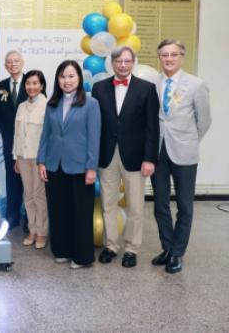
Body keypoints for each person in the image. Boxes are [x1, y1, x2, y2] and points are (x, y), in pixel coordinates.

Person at [91, 46, 159, 268]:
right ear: (112, 63)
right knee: (108, 203)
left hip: (136, 157)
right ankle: (111, 245)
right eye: (118, 61)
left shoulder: (147, 88)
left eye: (127, 61)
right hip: (107, 154)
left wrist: (149, 158)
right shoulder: (99, 88)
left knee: (136, 207)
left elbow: (152, 127)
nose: (122, 65)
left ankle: (131, 248)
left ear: (133, 62)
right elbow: (95, 124)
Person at [150, 39, 211, 274]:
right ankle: (167, 247)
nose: (169, 59)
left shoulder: (196, 84)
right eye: (164, 55)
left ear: (181, 56)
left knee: (185, 206)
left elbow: (204, 120)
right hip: (158, 152)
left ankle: (177, 253)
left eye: (173, 54)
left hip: (185, 153)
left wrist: (190, 141)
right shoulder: (152, 83)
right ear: (159, 57)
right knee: (160, 204)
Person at [37, 60, 100, 269]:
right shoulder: (52, 103)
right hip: (54, 165)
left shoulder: (91, 104)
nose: (67, 80)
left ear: (79, 78)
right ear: (58, 79)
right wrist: (41, 161)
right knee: (58, 210)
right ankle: (62, 250)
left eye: (71, 76)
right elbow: (46, 134)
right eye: (63, 76)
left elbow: (94, 138)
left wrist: (91, 167)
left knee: (80, 213)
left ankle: (81, 257)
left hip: (80, 167)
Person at [13, 70, 48, 249]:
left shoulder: (48, 105)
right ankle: (32, 230)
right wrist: (16, 157)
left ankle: (41, 232)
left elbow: (49, 136)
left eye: (35, 83)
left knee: (39, 196)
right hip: (23, 157)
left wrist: (44, 161)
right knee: (28, 195)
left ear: (41, 85)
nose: (31, 87)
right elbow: (17, 134)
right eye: (28, 83)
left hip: (38, 159)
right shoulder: (21, 106)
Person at [0, 50, 27, 230]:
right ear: (5, 65)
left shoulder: (32, 82)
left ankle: (30, 220)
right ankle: (12, 215)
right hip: (9, 141)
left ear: (22, 62)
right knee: (11, 179)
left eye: (16, 61)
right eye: (9, 62)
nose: (13, 64)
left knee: (29, 182)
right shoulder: (0, 86)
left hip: (29, 142)